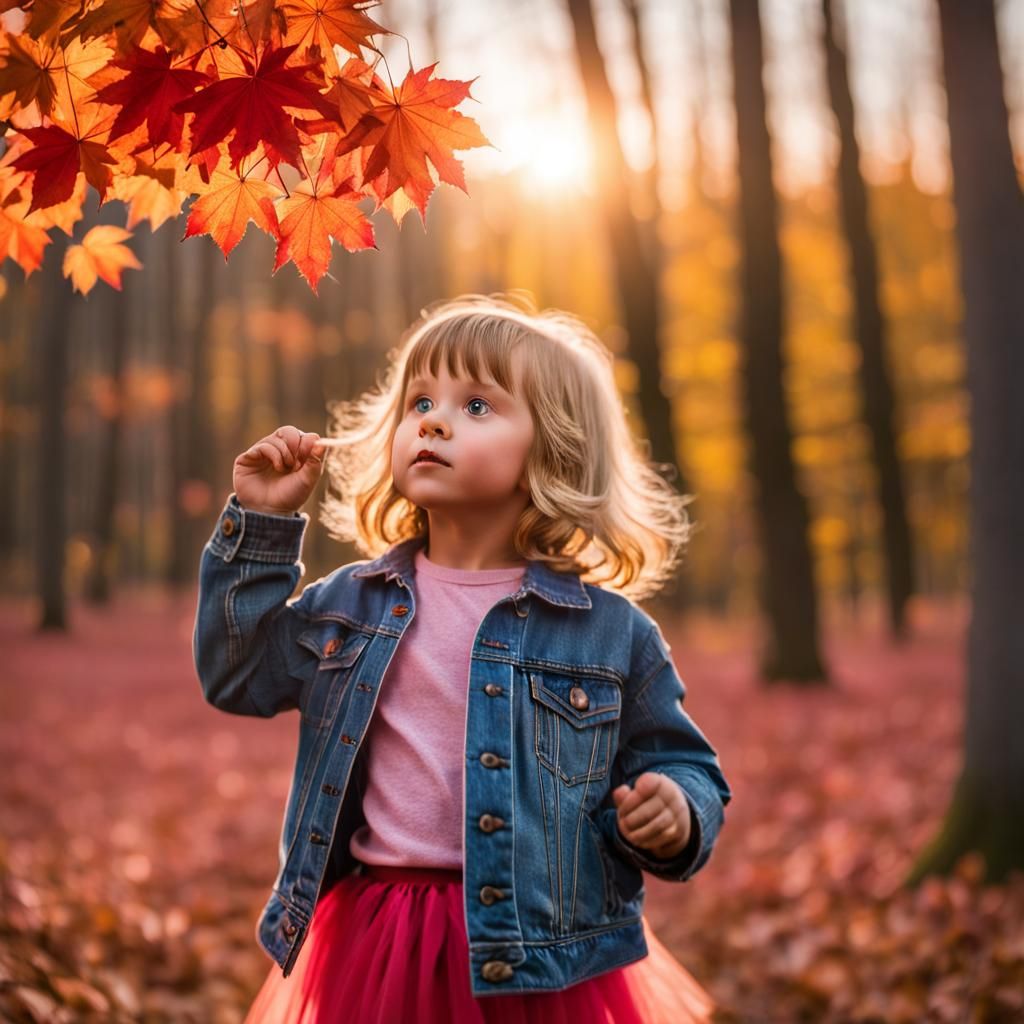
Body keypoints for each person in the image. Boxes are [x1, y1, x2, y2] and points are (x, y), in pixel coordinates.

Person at [193, 294, 732, 1023]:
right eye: (420, 401)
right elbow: (239, 674)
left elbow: (686, 766)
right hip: (379, 937)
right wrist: (262, 521)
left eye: (477, 406)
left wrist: (677, 808)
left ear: (554, 449)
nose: (434, 420)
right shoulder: (351, 604)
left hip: (537, 954)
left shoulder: (610, 633)